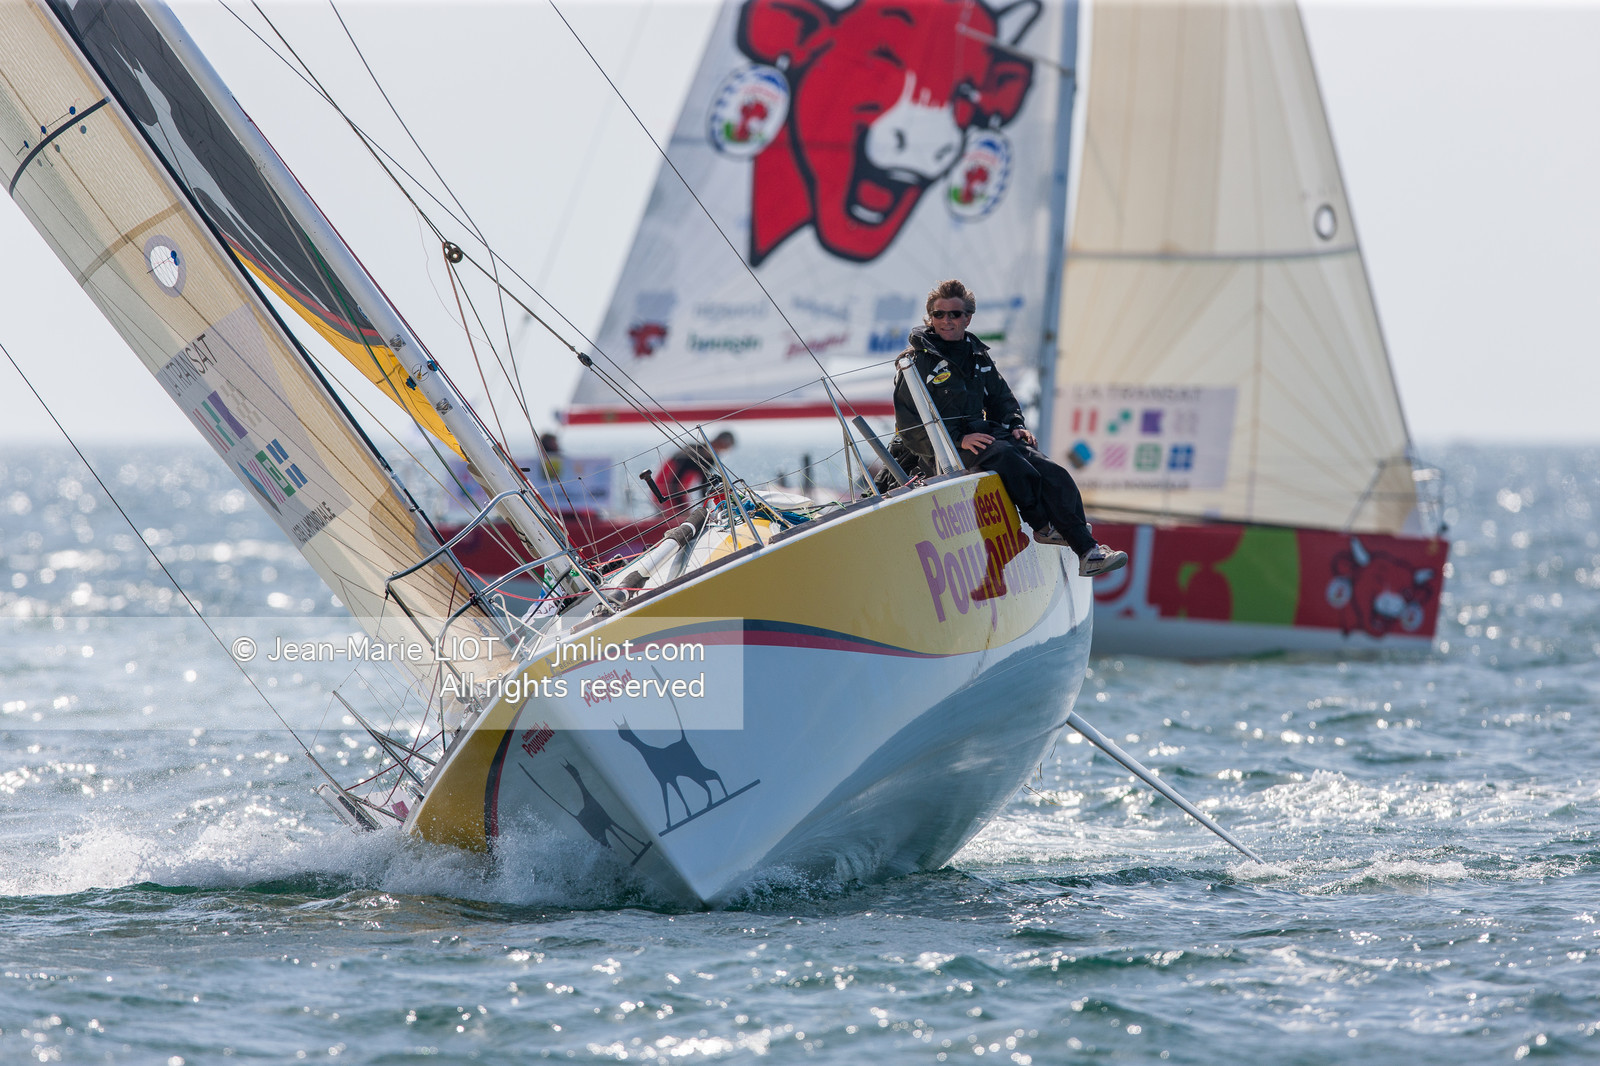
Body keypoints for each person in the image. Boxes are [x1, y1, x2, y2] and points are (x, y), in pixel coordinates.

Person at [892, 279, 1128, 578]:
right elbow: (909, 425)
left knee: (1054, 472)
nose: (946, 321)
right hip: (944, 450)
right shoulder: (914, 363)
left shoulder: (978, 356)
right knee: (1008, 458)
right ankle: (1042, 526)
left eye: (954, 314)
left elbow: (1002, 398)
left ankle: (1088, 551)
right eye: (939, 314)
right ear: (930, 317)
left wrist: (1015, 425)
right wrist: (959, 440)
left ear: (968, 317)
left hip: (986, 436)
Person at [653, 430, 736, 511]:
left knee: (686, 513)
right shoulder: (693, 451)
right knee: (681, 514)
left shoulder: (709, 458)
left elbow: (704, 485)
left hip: (678, 489)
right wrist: (682, 508)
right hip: (665, 488)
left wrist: (706, 509)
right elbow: (674, 482)